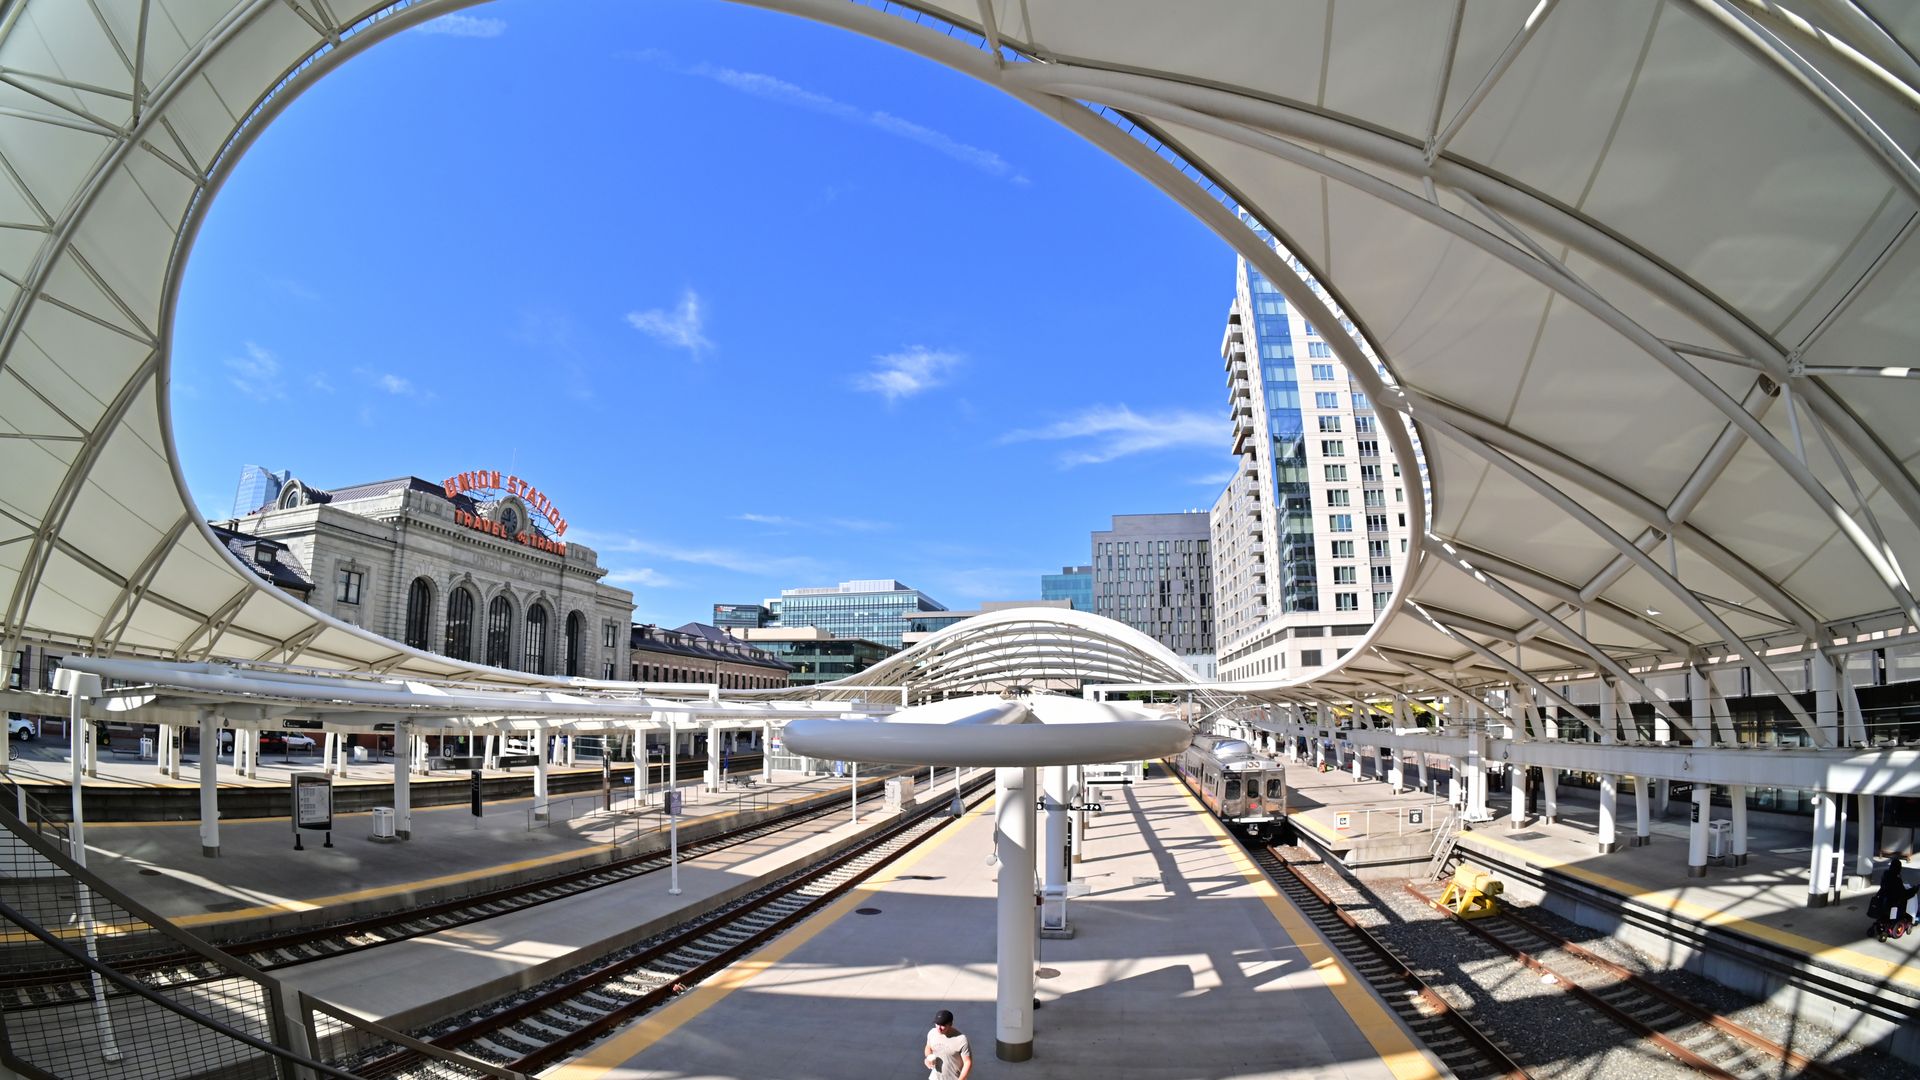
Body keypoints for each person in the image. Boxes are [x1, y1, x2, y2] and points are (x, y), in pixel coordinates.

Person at [923, 1008, 972, 1080]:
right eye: (937, 1024)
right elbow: (928, 1047)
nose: (939, 1028)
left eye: (942, 1025)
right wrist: (928, 1057)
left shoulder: (961, 1039)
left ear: (950, 1024)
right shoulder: (932, 1033)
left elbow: (967, 1062)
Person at [1873, 856, 1915, 926]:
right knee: (1907, 898)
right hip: (1893, 903)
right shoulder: (1897, 880)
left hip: (1883, 899)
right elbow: (1903, 894)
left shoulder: (1885, 874)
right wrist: (1914, 890)